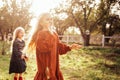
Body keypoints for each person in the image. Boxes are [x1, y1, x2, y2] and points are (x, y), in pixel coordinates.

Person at [28, 13, 81, 80]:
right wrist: (46, 68)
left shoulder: (54, 33)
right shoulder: (40, 34)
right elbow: (43, 48)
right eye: (47, 19)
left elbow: (58, 47)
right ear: (41, 23)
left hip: (54, 67)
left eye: (51, 19)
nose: (50, 21)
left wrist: (70, 47)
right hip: (45, 68)